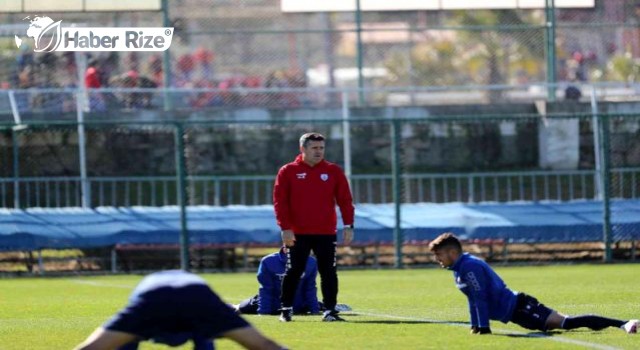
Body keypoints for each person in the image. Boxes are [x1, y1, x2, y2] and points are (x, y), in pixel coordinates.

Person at [428, 233, 638, 335]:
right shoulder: (458, 269)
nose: (437, 259)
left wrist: (484, 328)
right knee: (564, 326)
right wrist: (476, 325)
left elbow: (481, 297)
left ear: (452, 252)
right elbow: (473, 300)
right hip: (516, 315)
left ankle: (623, 323)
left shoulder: (468, 267)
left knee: (567, 323)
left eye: (439, 255)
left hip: (521, 307)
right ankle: (622, 323)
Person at [74, 270, 287, 350]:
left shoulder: (139, 314)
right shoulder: (210, 314)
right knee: (263, 345)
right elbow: (266, 345)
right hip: (198, 299)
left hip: (154, 301)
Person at [273, 132, 355, 322]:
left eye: (321, 148)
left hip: (326, 232)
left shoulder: (333, 171)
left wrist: (348, 224)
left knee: (329, 272)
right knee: (294, 270)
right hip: (297, 233)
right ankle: (286, 310)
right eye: (314, 148)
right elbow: (280, 202)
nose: (319, 152)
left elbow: (345, 200)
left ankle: (330, 311)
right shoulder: (288, 171)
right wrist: (285, 227)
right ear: (303, 149)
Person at [234, 247, 352, 315]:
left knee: (314, 305)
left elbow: (310, 288)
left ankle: (325, 306)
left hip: (299, 305)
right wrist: (264, 312)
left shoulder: (311, 262)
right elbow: (265, 289)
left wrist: (314, 310)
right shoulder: (268, 261)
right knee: (240, 308)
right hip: (272, 303)